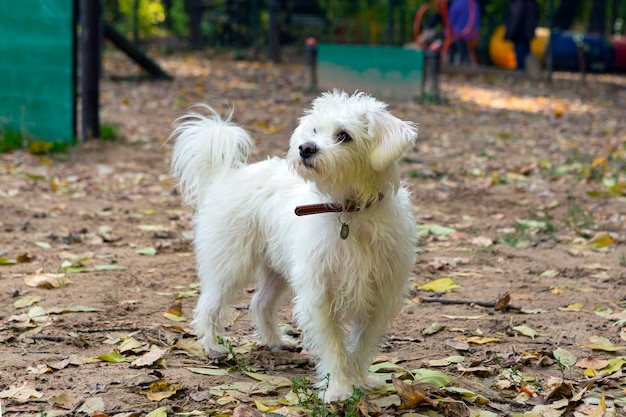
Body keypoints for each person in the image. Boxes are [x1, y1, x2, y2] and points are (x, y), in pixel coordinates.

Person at [504, 0, 540, 70]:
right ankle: (527, 71)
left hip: (519, 34)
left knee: (520, 58)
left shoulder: (518, 3)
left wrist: (509, 33)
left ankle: (522, 72)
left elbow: (515, 19)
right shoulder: (532, 3)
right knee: (526, 54)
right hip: (527, 33)